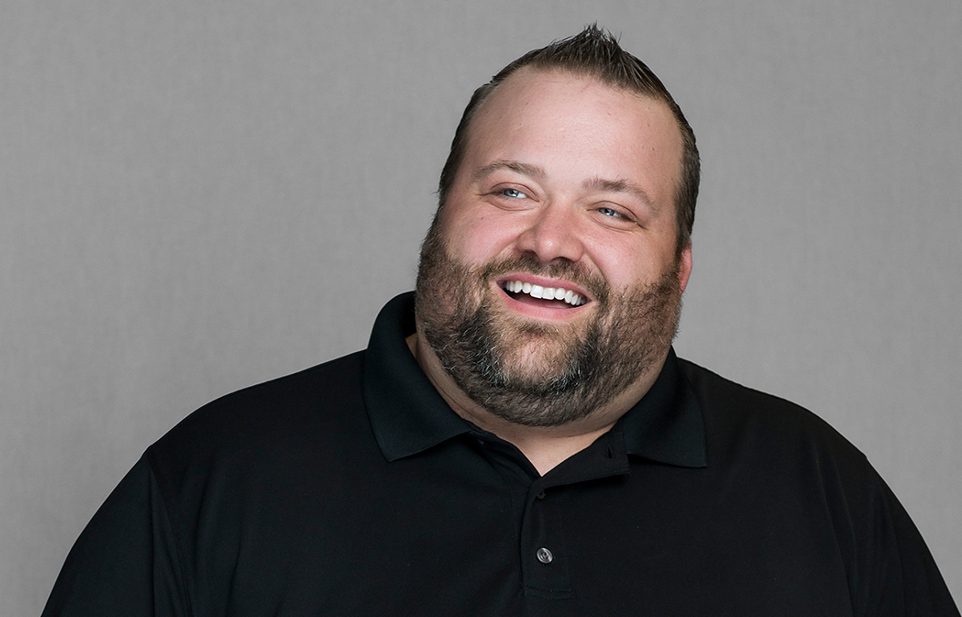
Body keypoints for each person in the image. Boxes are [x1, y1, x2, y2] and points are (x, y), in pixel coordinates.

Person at [42, 25, 958, 616]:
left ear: (680, 271)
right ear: (443, 214)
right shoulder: (208, 484)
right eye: (511, 189)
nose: (549, 241)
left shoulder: (823, 497)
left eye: (614, 210)